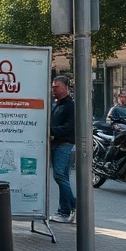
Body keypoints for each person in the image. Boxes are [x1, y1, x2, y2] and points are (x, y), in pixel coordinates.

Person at [50, 75, 76, 224]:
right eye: (53, 87)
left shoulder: (70, 105)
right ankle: (64, 210)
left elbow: (69, 127)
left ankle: (74, 206)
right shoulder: (56, 104)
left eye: (57, 87)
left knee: (59, 176)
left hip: (64, 144)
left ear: (66, 88)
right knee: (63, 177)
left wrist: (51, 130)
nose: (54, 90)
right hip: (56, 144)